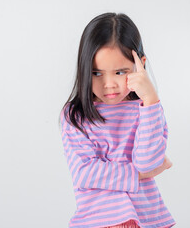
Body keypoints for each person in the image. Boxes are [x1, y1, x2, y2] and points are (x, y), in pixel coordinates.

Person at [59, 12, 176, 228]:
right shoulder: (76, 115)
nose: (109, 84)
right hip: (99, 221)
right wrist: (139, 174)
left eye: (120, 72)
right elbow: (85, 173)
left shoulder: (148, 109)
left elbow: (149, 161)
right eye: (96, 73)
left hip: (148, 220)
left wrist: (150, 99)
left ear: (139, 65)